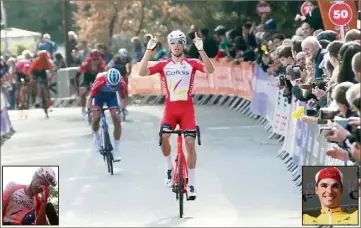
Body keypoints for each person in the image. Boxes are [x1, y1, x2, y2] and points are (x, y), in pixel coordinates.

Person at [138, 30, 215, 200]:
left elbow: (210, 70)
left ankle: (192, 184)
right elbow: (142, 72)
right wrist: (148, 51)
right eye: (173, 42)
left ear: (184, 44)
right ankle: (169, 168)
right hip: (170, 110)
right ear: (169, 45)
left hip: (187, 110)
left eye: (180, 42)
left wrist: (201, 50)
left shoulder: (191, 63)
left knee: (189, 143)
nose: (177, 45)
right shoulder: (164, 64)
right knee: (164, 136)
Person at [86, 68, 127, 162]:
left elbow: (123, 98)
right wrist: (88, 111)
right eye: (111, 85)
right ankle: (96, 136)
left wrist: (121, 110)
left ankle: (116, 148)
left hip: (111, 98)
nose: (113, 88)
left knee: (116, 119)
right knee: (96, 118)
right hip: (98, 96)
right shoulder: (100, 81)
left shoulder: (122, 83)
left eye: (114, 86)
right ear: (107, 80)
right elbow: (90, 97)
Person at [75, 49, 105, 116]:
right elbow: (77, 75)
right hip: (87, 75)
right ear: (90, 59)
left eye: (97, 59)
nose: (95, 61)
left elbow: (103, 76)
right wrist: (77, 87)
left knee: (99, 91)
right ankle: (83, 108)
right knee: (83, 92)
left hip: (97, 75)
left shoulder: (101, 63)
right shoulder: (86, 62)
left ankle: (98, 106)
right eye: (94, 59)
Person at [29, 50, 55, 116]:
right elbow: (30, 71)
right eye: (42, 58)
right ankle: (38, 97)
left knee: (46, 85)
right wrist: (32, 79)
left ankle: (49, 100)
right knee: (35, 84)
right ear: (40, 57)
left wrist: (50, 76)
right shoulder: (36, 61)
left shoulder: (47, 60)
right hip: (35, 72)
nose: (43, 59)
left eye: (44, 58)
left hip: (42, 72)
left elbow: (52, 69)